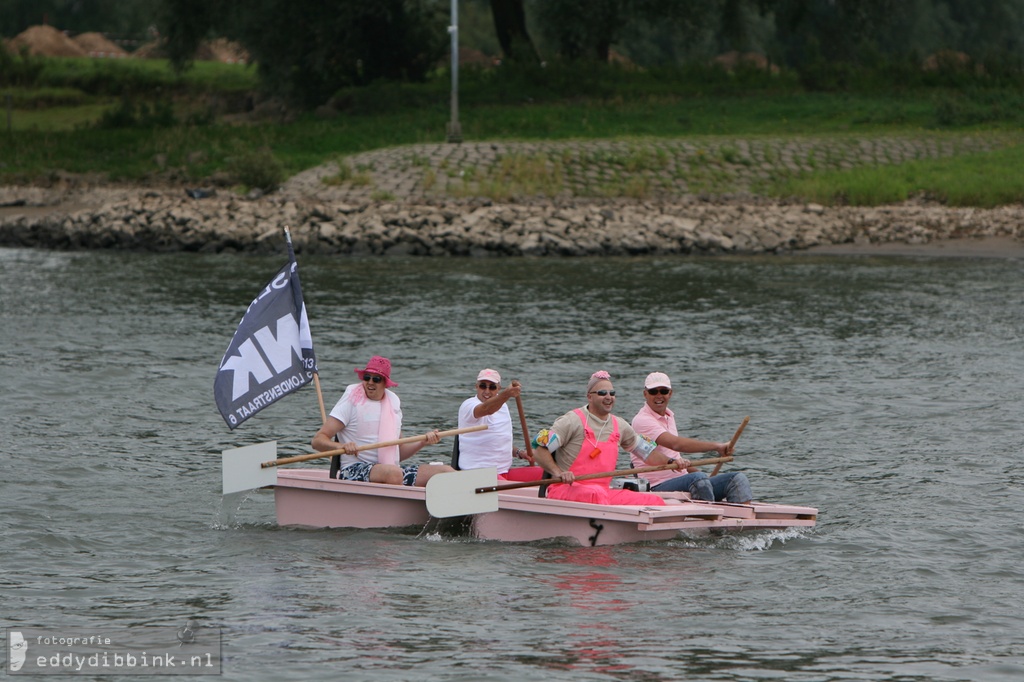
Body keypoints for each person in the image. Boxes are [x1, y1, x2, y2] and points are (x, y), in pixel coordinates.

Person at [311, 355, 451, 486]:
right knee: (393, 473)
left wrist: (422, 442)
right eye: (367, 377)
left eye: (376, 379)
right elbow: (317, 440)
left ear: (385, 383)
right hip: (353, 471)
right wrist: (340, 447)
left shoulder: (392, 404)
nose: (370, 382)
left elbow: (399, 452)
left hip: (390, 471)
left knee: (445, 472)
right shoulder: (351, 400)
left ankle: (459, 511)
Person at [532, 370, 667, 506]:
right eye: (602, 393)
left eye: (612, 393)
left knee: (655, 501)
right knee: (596, 494)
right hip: (565, 489)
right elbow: (539, 450)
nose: (608, 397)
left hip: (602, 492)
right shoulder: (571, 421)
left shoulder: (620, 425)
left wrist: (674, 462)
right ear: (589, 397)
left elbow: (648, 454)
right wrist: (559, 473)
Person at [630, 372, 752, 504]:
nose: (659, 396)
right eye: (653, 391)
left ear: (670, 393)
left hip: (683, 480)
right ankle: (710, 519)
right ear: (645, 394)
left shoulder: (669, 416)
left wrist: (704, 478)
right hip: (657, 487)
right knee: (697, 478)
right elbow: (675, 444)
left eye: (663, 391)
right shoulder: (642, 420)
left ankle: (742, 522)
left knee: (738, 479)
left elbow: (675, 456)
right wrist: (717, 447)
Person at [456, 369, 544, 482]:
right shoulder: (468, 405)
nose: (487, 391)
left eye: (492, 387)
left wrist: (519, 453)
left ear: (498, 389)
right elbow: (486, 409)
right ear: (476, 387)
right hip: (477, 473)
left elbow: (498, 442)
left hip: (503, 472)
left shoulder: (502, 407)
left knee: (549, 474)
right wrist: (506, 395)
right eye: (483, 386)